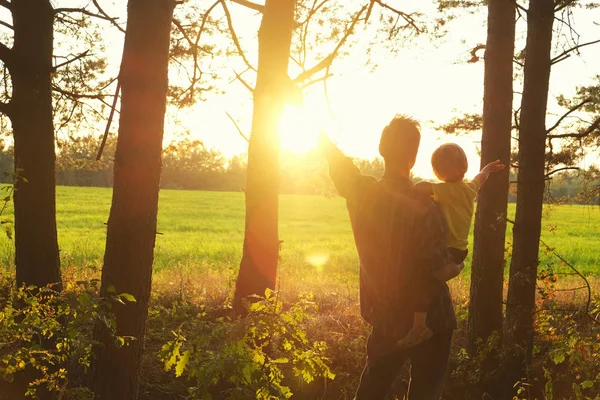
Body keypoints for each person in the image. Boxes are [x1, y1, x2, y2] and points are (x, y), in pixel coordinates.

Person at [319, 115, 459, 400]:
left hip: (386, 317)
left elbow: (337, 162)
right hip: (433, 320)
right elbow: (438, 267)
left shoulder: (361, 192)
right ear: (414, 156)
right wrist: (458, 264)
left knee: (371, 392)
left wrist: (315, 129)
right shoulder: (425, 205)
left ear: (381, 148)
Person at [398, 143, 506, 347]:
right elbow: (480, 178)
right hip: (460, 251)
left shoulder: (445, 190)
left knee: (422, 279)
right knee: (430, 279)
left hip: (446, 250)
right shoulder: (469, 189)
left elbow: (418, 188)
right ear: (464, 166)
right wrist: (487, 169)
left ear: (438, 172)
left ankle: (419, 326)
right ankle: (455, 269)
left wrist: (426, 191)